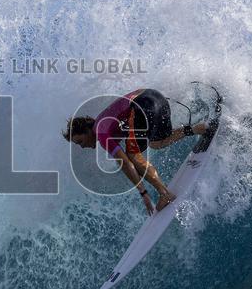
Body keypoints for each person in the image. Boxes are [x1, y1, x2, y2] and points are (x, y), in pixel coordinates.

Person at [63, 88, 207, 215]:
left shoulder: (100, 132)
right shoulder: (105, 122)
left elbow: (125, 163)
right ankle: (197, 129)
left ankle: (165, 193)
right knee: (157, 143)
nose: (82, 146)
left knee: (132, 156)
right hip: (157, 97)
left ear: (87, 130)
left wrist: (143, 193)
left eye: (80, 141)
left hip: (142, 106)